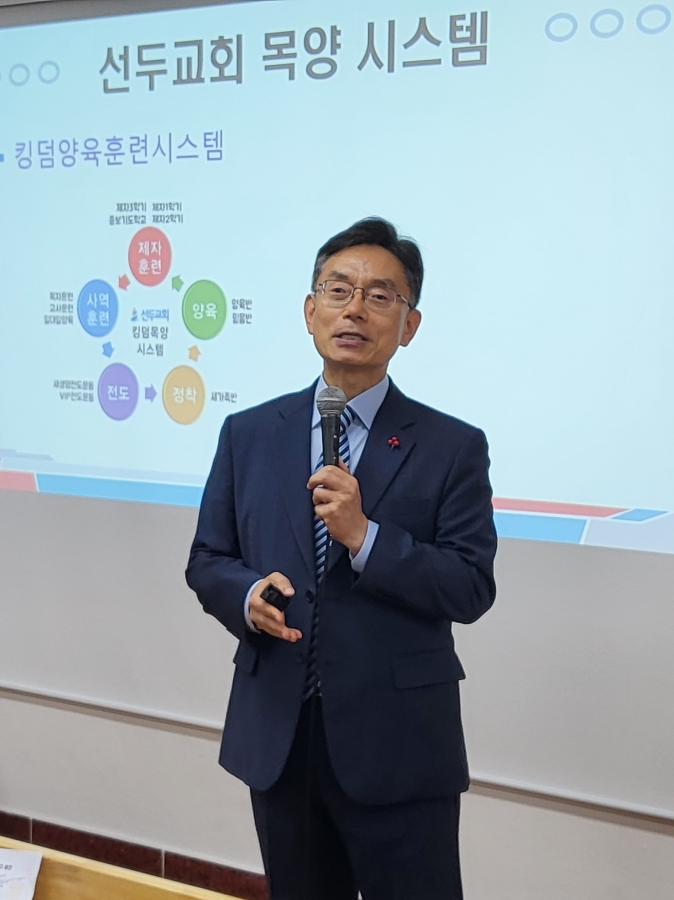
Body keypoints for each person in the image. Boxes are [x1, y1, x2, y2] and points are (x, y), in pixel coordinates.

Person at [186, 217, 497, 899]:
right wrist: (247, 596)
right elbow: (207, 559)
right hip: (281, 735)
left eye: (380, 296)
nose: (355, 309)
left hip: (399, 746)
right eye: (338, 290)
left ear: (409, 326)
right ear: (310, 311)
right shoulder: (249, 434)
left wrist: (365, 536)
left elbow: (471, 586)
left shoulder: (452, 447)